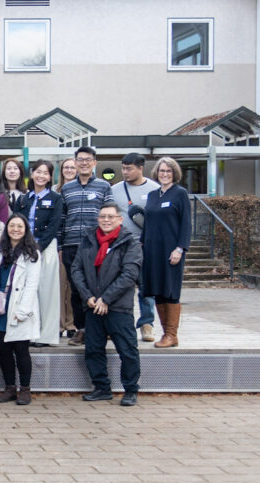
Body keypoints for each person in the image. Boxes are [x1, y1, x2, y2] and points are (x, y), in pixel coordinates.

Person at [70, 204, 142, 406]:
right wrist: (88, 296)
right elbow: (76, 269)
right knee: (93, 349)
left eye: (111, 216)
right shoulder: (88, 239)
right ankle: (101, 388)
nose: (106, 220)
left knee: (127, 350)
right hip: (92, 305)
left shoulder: (130, 242)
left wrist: (106, 299)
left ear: (120, 219)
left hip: (118, 306)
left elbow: (129, 274)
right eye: (102, 216)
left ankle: (130, 390)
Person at [0, 214, 42, 406]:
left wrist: (23, 310)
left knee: (21, 350)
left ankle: (25, 389)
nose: (15, 229)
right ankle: (9, 388)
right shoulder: (0, 250)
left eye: (20, 226)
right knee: (4, 350)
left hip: (19, 307)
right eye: (12, 226)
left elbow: (32, 285)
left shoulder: (32, 253)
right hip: (0, 307)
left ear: (26, 230)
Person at [59, 146, 114, 346]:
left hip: (96, 245)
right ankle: (81, 329)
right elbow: (62, 219)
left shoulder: (103, 187)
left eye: (88, 159)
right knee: (76, 290)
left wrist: (108, 242)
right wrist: (60, 245)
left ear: (94, 163)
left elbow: (110, 216)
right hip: (71, 245)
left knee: (98, 287)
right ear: (75, 162)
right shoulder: (66, 189)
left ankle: (100, 329)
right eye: (80, 159)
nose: (84, 163)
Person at [141, 157, 191, 349]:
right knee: (157, 290)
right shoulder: (153, 195)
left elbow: (186, 224)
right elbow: (147, 224)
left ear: (174, 173)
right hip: (152, 251)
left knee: (170, 291)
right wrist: (142, 245)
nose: (164, 174)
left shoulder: (180, 194)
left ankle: (171, 334)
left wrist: (180, 248)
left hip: (171, 250)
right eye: (162, 171)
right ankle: (166, 334)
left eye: (168, 171)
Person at [113, 152, 161, 343]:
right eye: (123, 168)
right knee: (117, 285)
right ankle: (116, 323)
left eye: (129, 168)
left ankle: (146, 323)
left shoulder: (154, 189)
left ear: (141, 168)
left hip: (145, 244)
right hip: (120, 244)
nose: (125, 172)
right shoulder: (115, 189)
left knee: (145, 286)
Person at [18, 160, 63, 346]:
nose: (41, 176)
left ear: (50, 176)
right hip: (24, 248)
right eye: (38, 172)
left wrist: (37, 247)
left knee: (47, 292)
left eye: (45, 173)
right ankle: (28, 332)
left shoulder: (55, 198)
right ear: (32, 174)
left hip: (46, 248)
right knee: (27, 292)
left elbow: (54, 226)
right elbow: (17, 223)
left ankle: (46, 336)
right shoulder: (23, 199)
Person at [55, 157, 79, 338]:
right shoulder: (56, 190)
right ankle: (60, 324)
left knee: (72, 287)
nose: (69, 170)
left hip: (77, 246)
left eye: (73, 167)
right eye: (66, 167)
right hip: (60, 245)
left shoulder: (80, 190)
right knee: (59, 286)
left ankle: (71, 324)